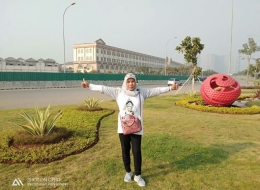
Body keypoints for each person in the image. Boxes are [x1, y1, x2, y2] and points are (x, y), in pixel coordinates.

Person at [81, 73, 178, 187]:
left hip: (136, 128)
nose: (131, 84)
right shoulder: (118, 92)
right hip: (123, 128)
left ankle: (138, 175)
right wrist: (89, 85)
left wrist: (170, 88)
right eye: (128, 81)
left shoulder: (142, 92)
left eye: (133, 81)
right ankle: (128, 172)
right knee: (125, 151)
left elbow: (156, 90)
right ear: (125, 82)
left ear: (136, 82)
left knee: (136, 151)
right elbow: (103, 88)